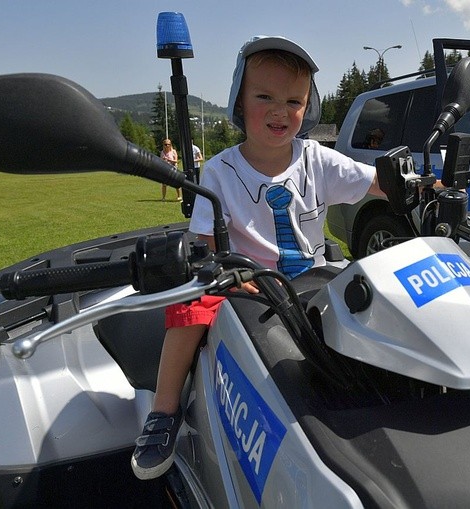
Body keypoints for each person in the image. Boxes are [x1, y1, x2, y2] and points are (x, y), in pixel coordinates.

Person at [131, 35, 385, 480]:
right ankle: (165, 411)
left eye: (294, 100)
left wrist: (422, 184)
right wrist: (226, 273)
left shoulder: (316, 159)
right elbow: (209, 241)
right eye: (264, 96)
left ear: (310, 107)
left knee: (379, 295)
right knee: (190, 307)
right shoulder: (221, 171)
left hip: (314, 274)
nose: (279, 110)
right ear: (238, 101)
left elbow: (375, 181)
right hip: (241, 283)